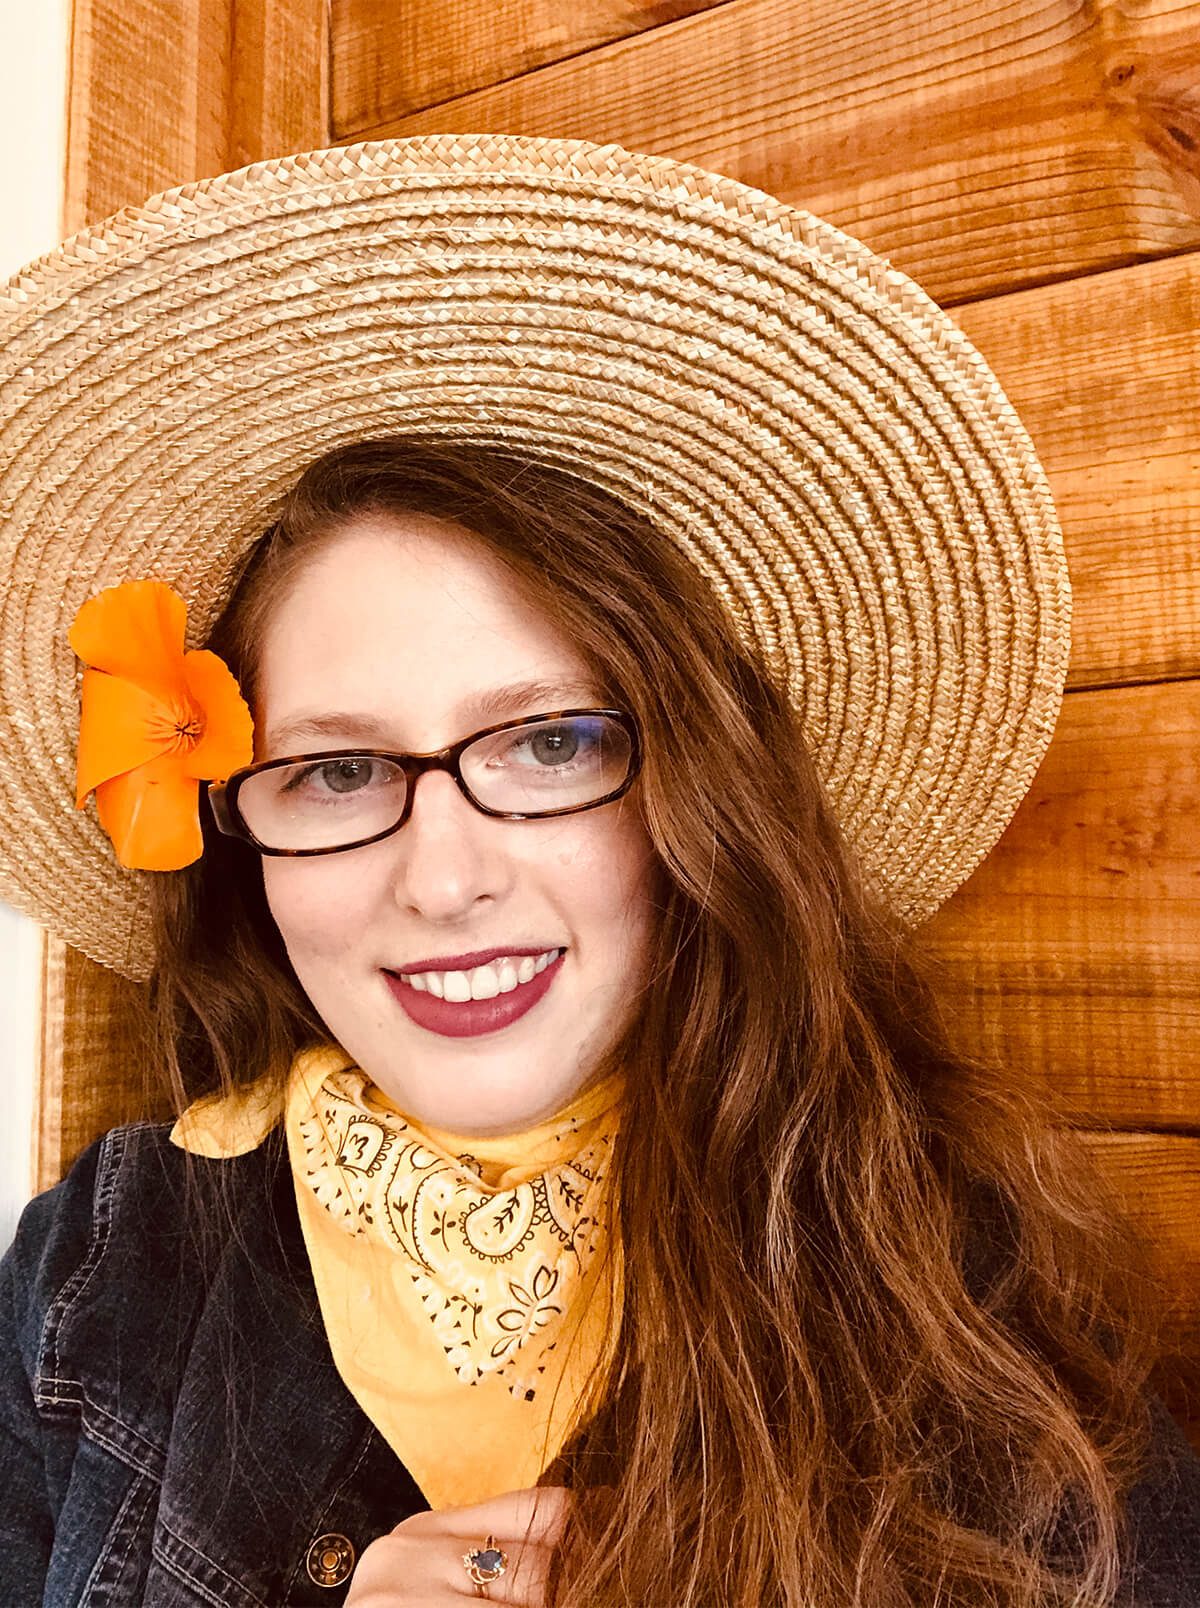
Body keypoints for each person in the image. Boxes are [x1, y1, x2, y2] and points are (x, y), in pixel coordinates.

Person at [0, 134, 1196, 1608]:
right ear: (241, 832)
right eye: (338, 770)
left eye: (552, 744)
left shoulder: (964, 1283)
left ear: (696, 788)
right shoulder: (99, 1269)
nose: (442, 881)